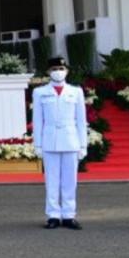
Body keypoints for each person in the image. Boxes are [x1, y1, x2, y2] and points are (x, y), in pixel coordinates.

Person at [32, 57, 88, 230]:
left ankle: (69, 214)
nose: (58, 71)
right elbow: (37, 120)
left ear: (67, 71)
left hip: (70, 139)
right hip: (50, 140)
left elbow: (81, 119)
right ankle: (53, 215)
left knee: (70, 180)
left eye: (61, 68)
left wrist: (83, 144)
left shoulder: (75, 91)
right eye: (55, 69)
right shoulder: (40, 92)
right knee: (52, 180)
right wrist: (38, 145)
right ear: (48, 72)